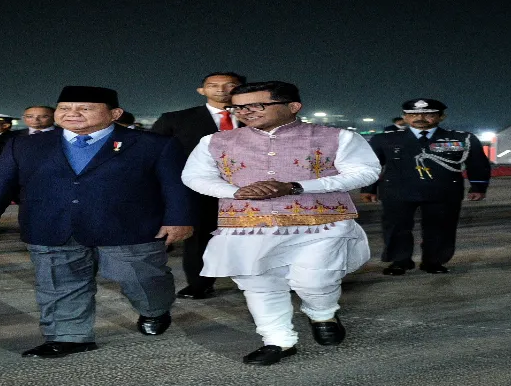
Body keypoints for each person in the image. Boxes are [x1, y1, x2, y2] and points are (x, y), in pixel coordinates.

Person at [0, 86, 194, 358]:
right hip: (51, 225)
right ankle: (69, 337)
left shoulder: (152, 144)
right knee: (58, 283)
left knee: (141, 278)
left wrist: (179, 219)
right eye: (64, 108)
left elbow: (175, 186)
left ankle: (154, 310)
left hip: (129, 227)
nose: (72, 114)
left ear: (114, 113)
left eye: (84, 108)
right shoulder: (25, 144)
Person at [182, 81, 381, 366]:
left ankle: (322, 313)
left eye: (256, 105)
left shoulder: (337, 137)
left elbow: (365, 172)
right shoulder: (215, 141)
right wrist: (234, 192)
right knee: (258, 283)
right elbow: (194, 176)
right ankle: (278, 340)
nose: (246, 112)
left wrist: (298, 186)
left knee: (316, 279)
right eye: (238, 107)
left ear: (293, 107)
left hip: (320, 222)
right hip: (246, 225)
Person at [361, 98, 491, 275]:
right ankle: (400, 261)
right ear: (405, 117)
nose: (420, 117)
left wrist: (478, 186)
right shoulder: (384, 139)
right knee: (396, 227)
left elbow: (478, 163)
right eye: (413, 114)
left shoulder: (461, 138)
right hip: (398, 191)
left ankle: (434, 261)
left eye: (428, 114)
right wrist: (368, 188)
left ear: (441, 116)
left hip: (443, 191)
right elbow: (371, 166)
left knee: (441, 228)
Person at [151, 71, 246, 299]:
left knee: (256, 237)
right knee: (199, 240)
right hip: (197, 191)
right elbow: (153, 154)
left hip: (249, 190)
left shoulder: (258, 117)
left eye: (229, 85)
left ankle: (265, 281)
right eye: (213, 85)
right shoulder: (175, 119)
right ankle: (199, 284)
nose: (221, 90)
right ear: (201, 91)